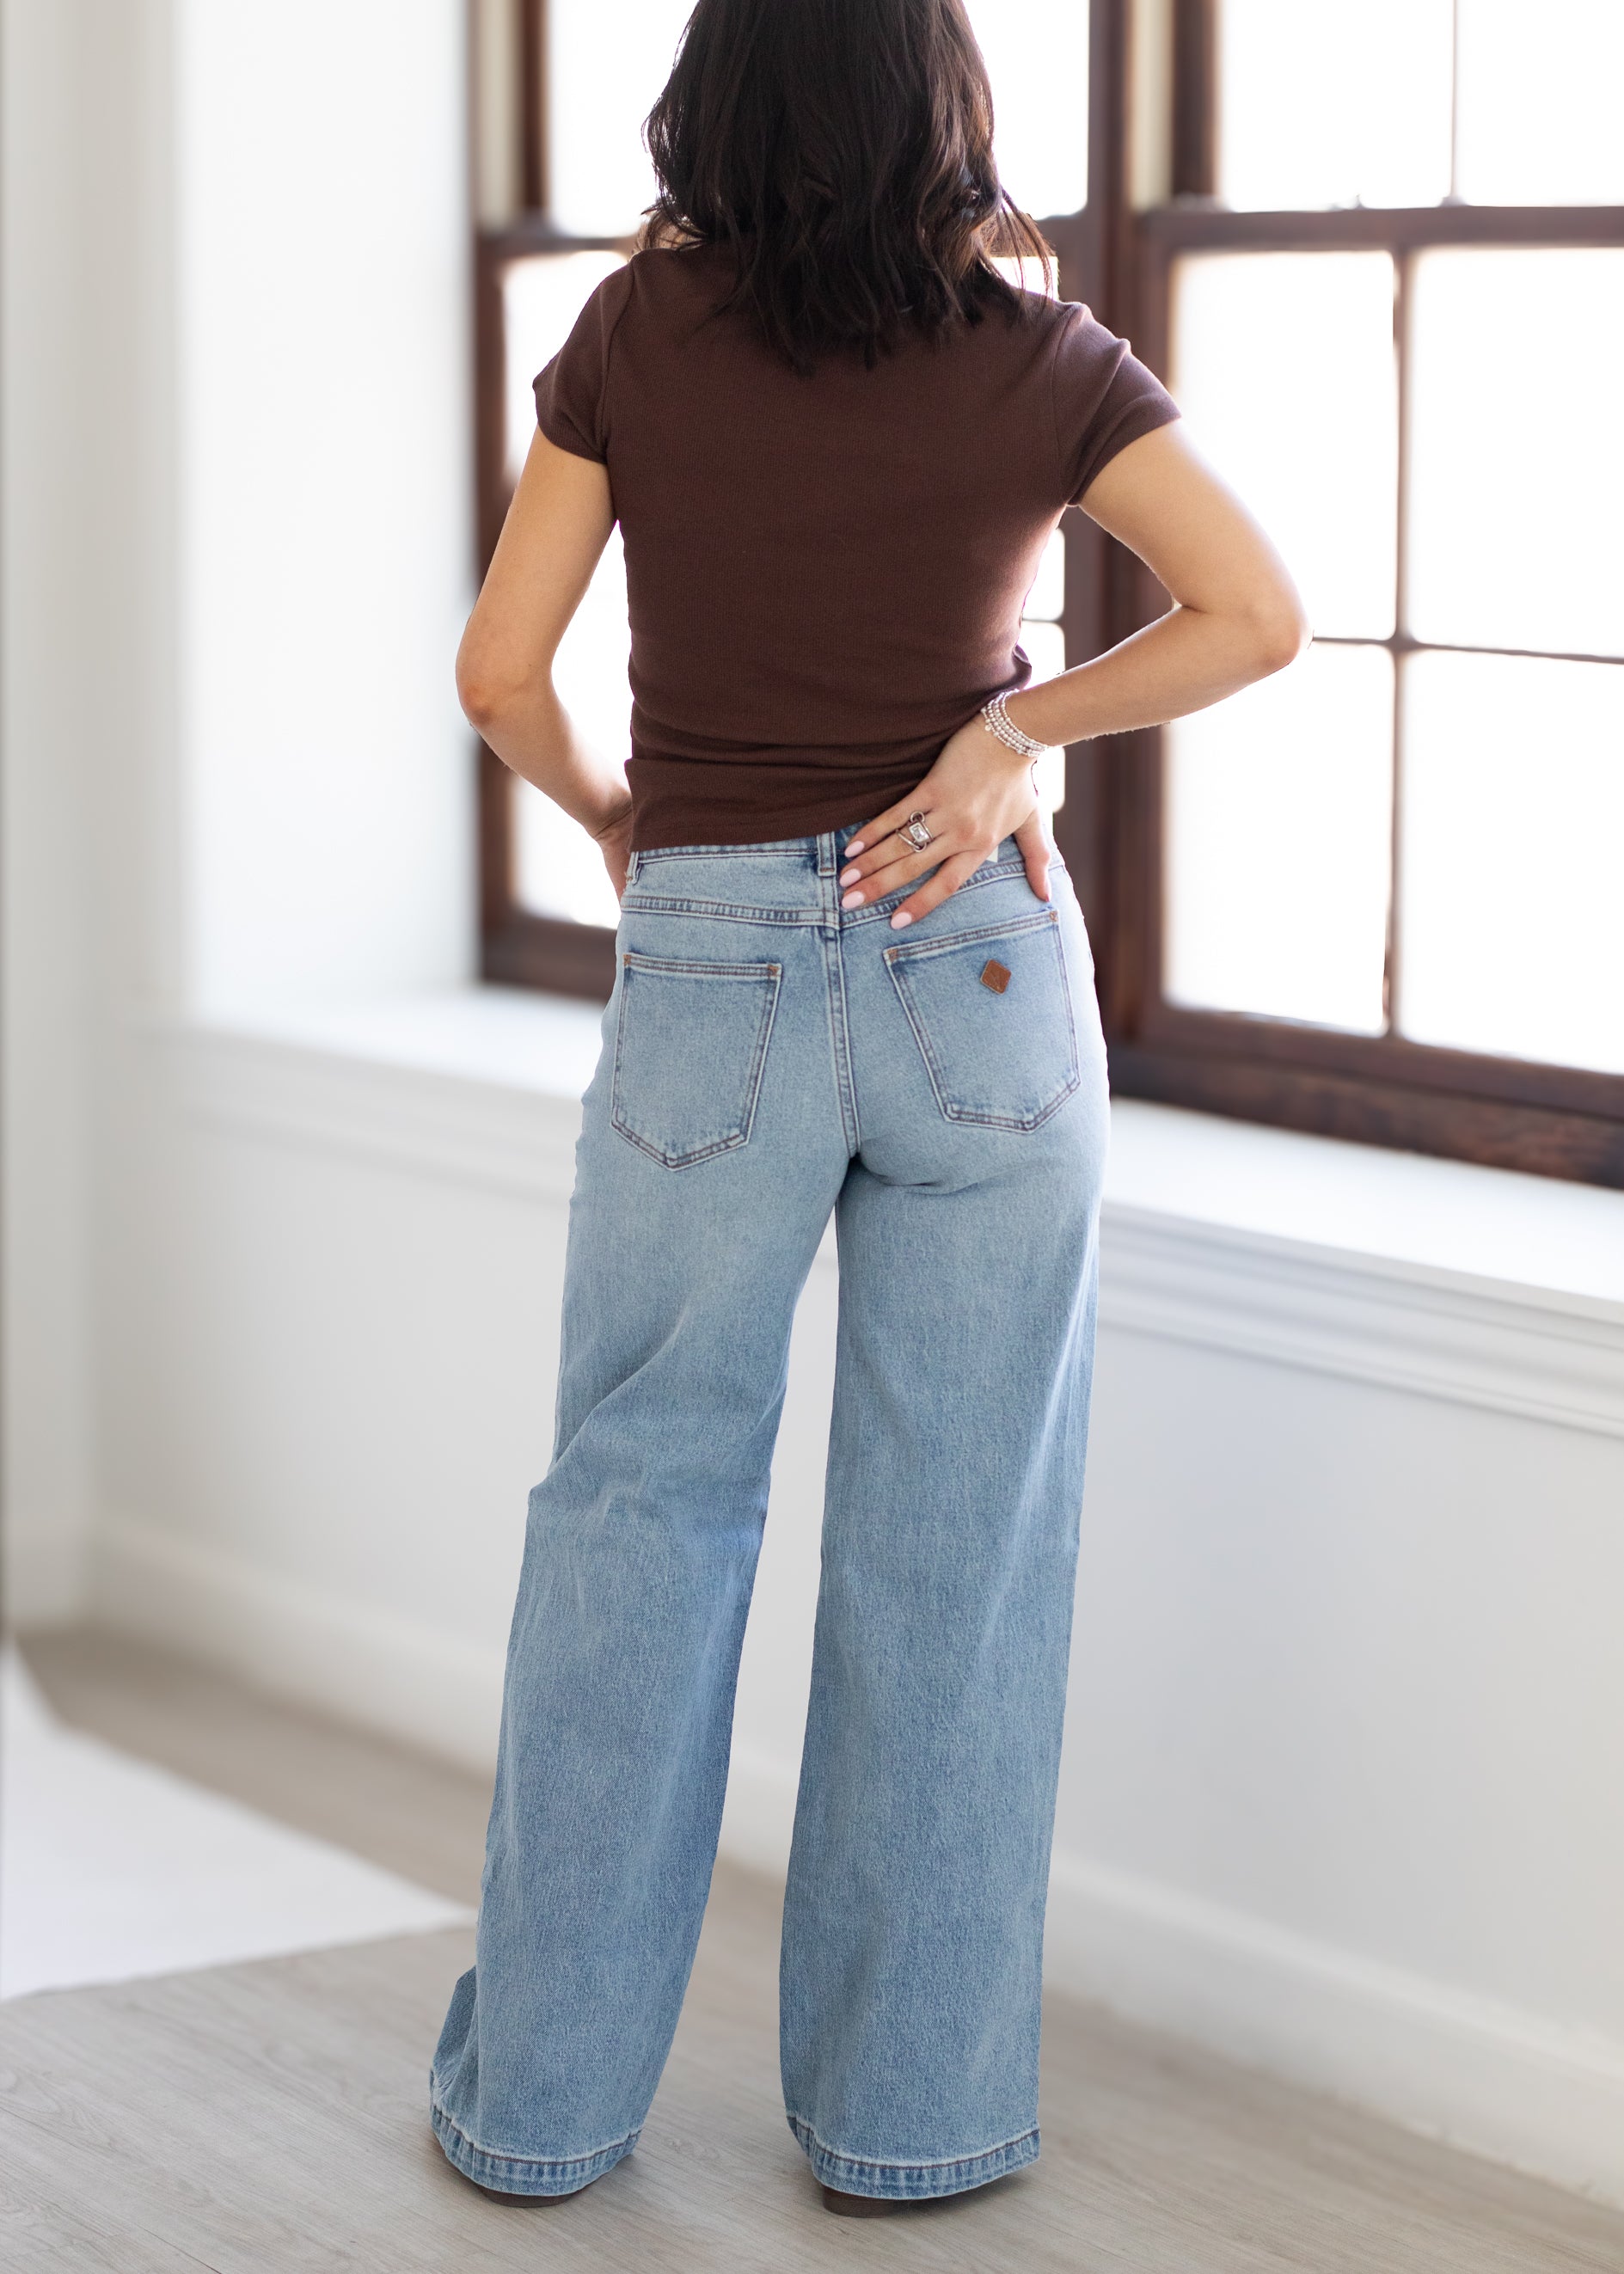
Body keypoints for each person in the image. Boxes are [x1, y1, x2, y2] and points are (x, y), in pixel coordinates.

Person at [431, 0, 1307, 2218]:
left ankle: (537, 2112)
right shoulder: (1040, 352)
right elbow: (1254, 613)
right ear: (947, 106)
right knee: (959, 1568)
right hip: (981, 977)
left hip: (710, 976)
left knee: (636, 1521)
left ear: (713, 100)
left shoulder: (634, 333)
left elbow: (499, 673)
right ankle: (911, 2125)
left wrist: (632, 826)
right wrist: (1024, 737)